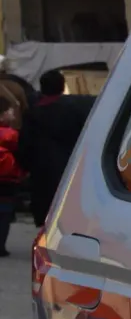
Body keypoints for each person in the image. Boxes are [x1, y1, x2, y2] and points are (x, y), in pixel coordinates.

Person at [17, 70, 96, 227]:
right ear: (62, 87)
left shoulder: (32, 114)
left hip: (41, 171)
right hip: (69, 168)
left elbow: (25, 144)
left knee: (44, 213)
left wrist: (25, 166)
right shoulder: (77, 110)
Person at [0, 97, 26, 255]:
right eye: (11, 112)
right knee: (4, 213)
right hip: (8, 179)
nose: (14, 116)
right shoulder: (12, 135)